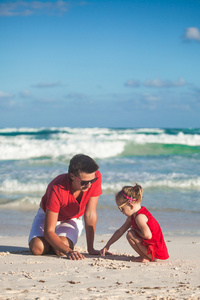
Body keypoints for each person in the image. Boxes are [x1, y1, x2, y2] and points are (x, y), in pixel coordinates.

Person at [29, 154, 102, 260]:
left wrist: (91, 248)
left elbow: (90, 214)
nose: (89, 185)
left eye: (92, 181)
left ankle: (54, 245)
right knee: (37, 248)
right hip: (47, 216)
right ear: (72, 176)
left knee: (60, 249)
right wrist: (69, 251)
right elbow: (49, 231)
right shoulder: (57, 188)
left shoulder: (94, 176)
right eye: (84, 182)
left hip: (72, 218)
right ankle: (51, 244)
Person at [100, 184, 169, 262]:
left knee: (131, 234)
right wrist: (108, 245)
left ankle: (145, 257)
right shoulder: (133, 216)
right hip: (151, 249)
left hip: (155, 252)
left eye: (121, 208)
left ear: (131, 206)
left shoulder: (140, 217)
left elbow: (148, 235)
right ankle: (145, 256)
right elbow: (120, 231)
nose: (121, 211)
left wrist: (135, 231)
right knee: (131, 233)